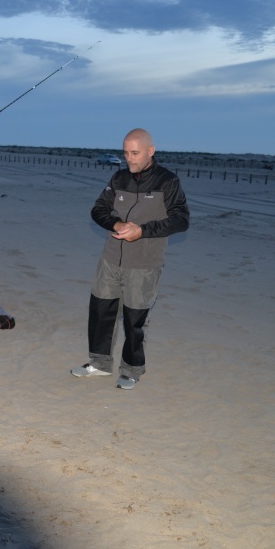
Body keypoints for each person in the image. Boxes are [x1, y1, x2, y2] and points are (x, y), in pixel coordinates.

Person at [72, 128, 189, 389]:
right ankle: (99, 363)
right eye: (126, 153)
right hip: (111, 259)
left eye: (135, 153)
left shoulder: (167, 182)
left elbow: (181, 219)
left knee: (135, 320)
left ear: (151, 151)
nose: (130, 159)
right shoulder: (119, 178)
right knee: (101, 311)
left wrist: (142, 231)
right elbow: (98, 209)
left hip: (144, 265)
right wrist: (115, 223)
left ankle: (132, 369)